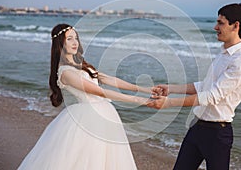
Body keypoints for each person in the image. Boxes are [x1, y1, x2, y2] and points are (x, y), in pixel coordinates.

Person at [18, 23, 151, 170]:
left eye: (76, 38)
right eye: (69, 39)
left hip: (105, 113)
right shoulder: (65, 72)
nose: (75, 42)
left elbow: (109, 79)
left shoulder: (81, 65)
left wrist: (144, 89)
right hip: (88, 118)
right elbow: (99, 92)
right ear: (60, 43)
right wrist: (137, 100)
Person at [148, 3, 241, 170]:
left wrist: (168, 103)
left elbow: (211, 97)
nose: (215, 27)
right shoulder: (223, 54)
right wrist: (171, 89)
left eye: (221, 23)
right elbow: (204, 87)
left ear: (236, 26)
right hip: (197, 127)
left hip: (217, 134)